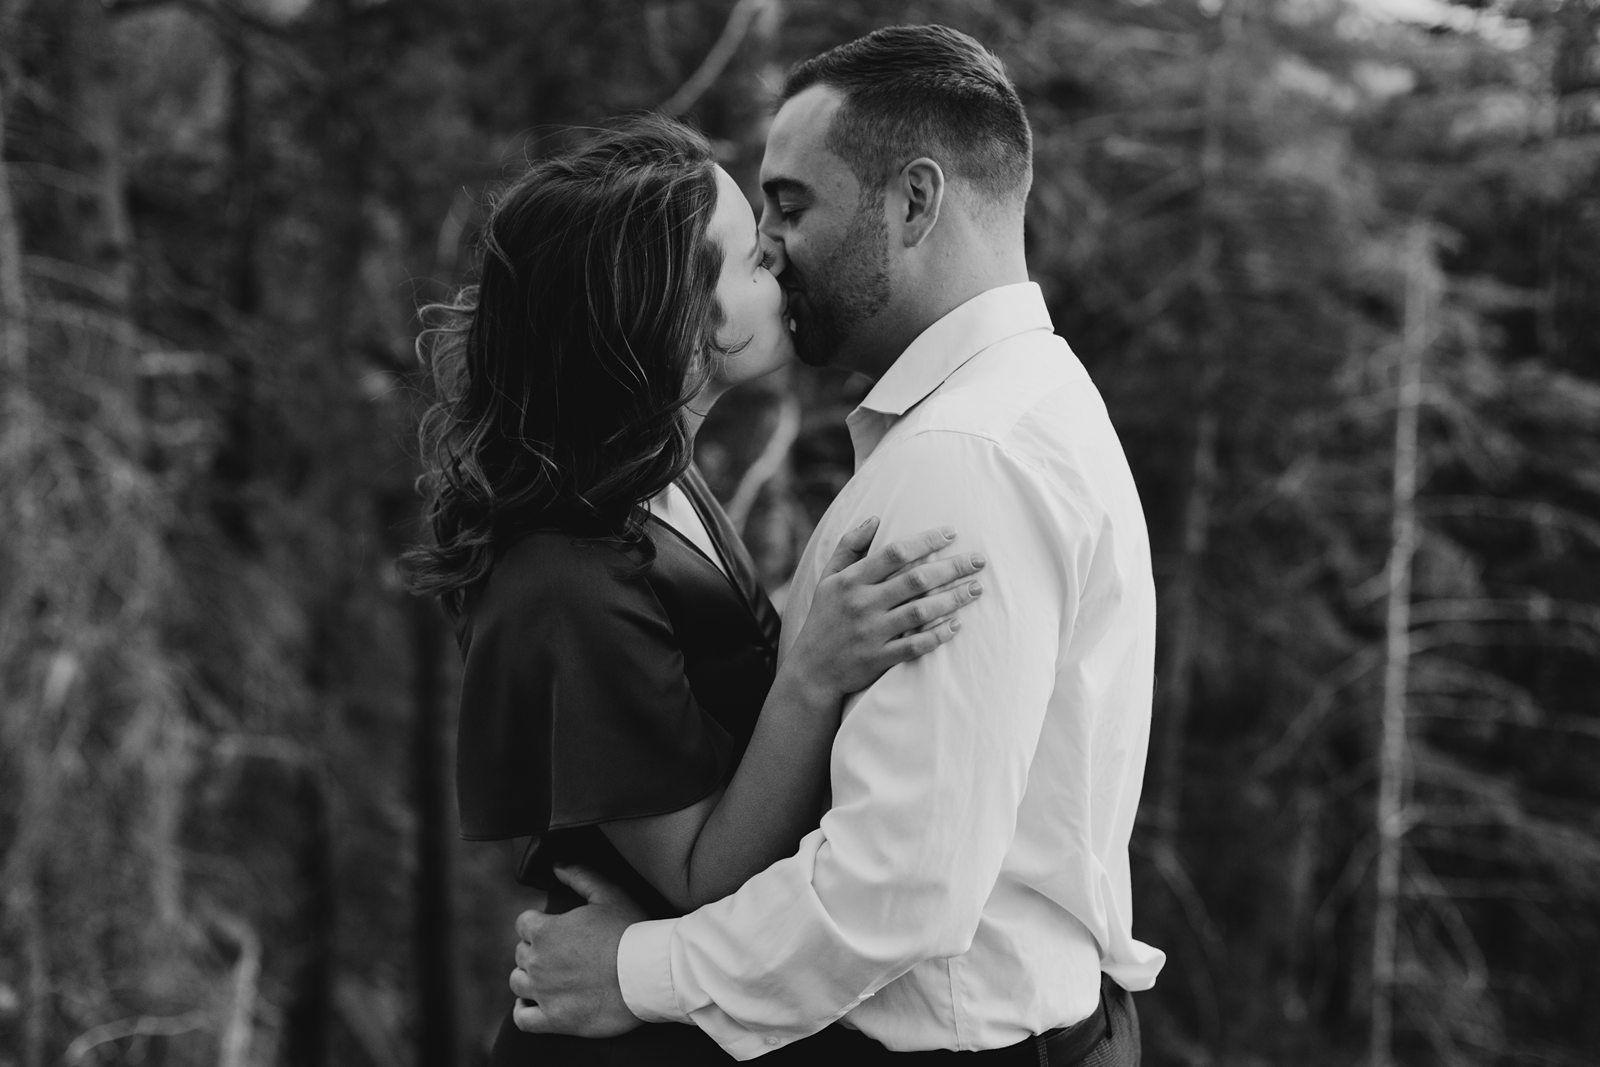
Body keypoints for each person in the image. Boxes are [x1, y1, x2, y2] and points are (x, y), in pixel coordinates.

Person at [506, 24, 1167, 1065]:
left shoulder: (967, 457)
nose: (769, 246)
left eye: (790, 203)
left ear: (913, 201)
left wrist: (636, 969)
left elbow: (894, 888)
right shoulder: (1010, 406)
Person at [403, 115, 988, 1064]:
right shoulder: (568, 579)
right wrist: (816, 668)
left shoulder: (657, 481)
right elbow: (695, 875)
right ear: (670, 320)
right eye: (750, 257)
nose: (783, 258)